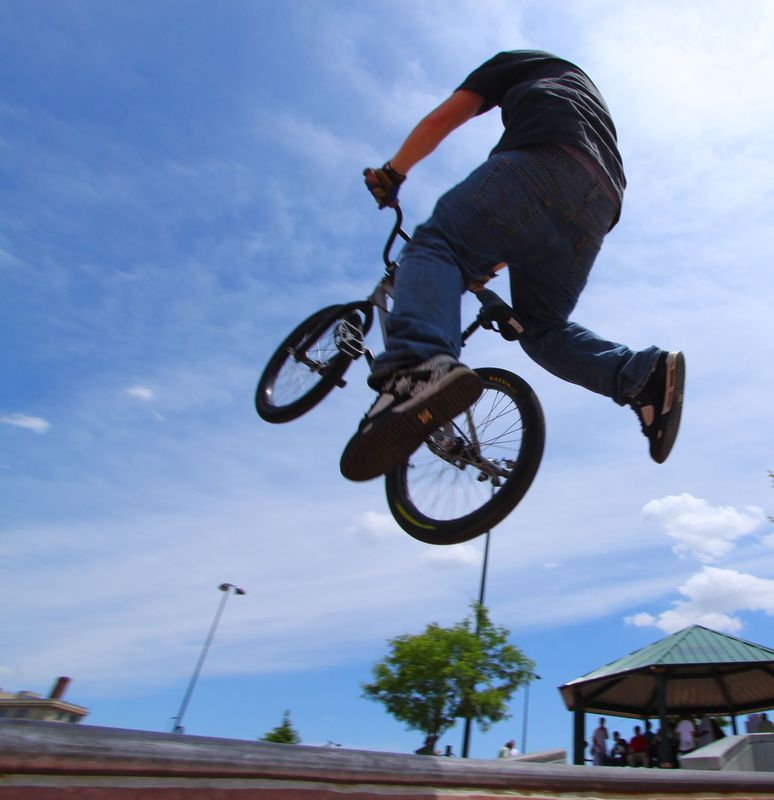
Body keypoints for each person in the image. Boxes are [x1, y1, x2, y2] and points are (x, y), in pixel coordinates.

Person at [340, 50, 685, 482]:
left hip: (540, 162)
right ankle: (636, 376)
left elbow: (442, 119)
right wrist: (485, 267)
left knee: (435, 246)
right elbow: (526, 224)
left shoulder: (516, 63)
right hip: (599, 204)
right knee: (539, 328)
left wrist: (392, 173)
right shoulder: (582, 96)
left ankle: (416, 367)